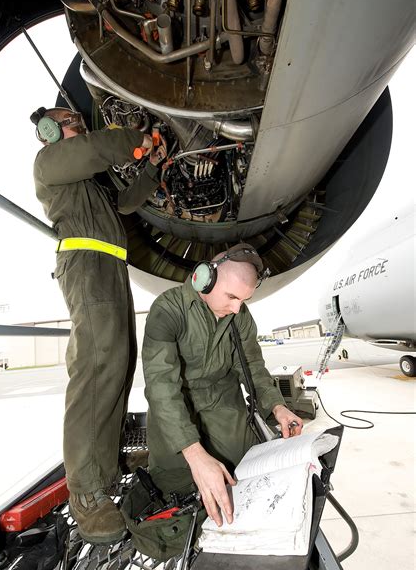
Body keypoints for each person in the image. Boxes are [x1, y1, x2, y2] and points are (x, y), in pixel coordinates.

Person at [32, 105, 166, 545]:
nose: (81, 126)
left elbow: (126, 202)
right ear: (51, 129)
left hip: (109, 266)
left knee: (118, 366)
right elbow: (98, 146)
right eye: (72, 121)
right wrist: (136, 137)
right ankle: (85, 492)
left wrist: (150, 167)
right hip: (86, 264)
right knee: (95, 369)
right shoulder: (51, 162)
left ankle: (107, 466)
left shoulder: (87, 181)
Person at [142, 243, 303, 528]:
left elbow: (252, 366)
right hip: (176, 412)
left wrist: (278, 407)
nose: (237, 308)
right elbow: (162, 388)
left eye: (243, 300)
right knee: (176, 486)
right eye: (231, 297)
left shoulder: (239, 314)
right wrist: (193, 453)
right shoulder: (167, 310)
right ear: (205, 279)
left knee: (249, 478)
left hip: (225, 407)